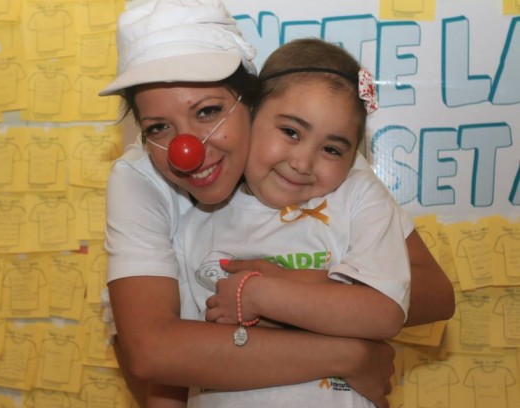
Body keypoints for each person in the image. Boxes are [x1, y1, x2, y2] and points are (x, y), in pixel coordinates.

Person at [100, 0, 455, 407]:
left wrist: (277, 288)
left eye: (209, 111)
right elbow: (155, 353)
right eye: (159, 127)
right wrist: (351, 353)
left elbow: (430, 293)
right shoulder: (141, 179)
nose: (187, 151)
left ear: (251, 103)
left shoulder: (320, 159)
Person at [170, 37, 411, 407]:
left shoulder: (357, 199)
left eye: (332, 149)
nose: (303, 162)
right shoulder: (197, 219)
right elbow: (183, 352)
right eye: (291, 132)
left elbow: (384, 313)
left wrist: (260, 295)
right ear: (248, 116)